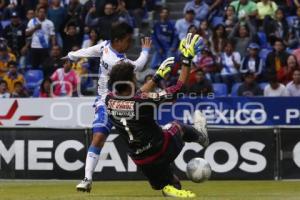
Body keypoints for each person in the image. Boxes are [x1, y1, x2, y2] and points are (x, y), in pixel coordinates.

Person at [105, 34, 208, 198]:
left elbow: (134, 95)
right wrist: (187, 60)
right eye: (134, 76)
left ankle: (170, 188)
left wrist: (157, 77)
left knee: (172, 184)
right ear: (130, 80)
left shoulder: (109, 99)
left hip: (142, 161)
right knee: (177, 126)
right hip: (161, 149)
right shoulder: (143, 101)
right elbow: (178, 88)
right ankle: (200, 136)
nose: (136, 78)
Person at [67, 22, 151, 192]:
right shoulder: (111, 54)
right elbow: (94, 51)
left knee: (141, 141)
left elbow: (93, 51)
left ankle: (161, 176)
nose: (129, 44)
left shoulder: (113, 53)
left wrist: (73, 55)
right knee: (98, 137)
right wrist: (75, 54)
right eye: (128, 40)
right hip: (105, 102)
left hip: (123, 103)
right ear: (117, 40)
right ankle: (87, 179)